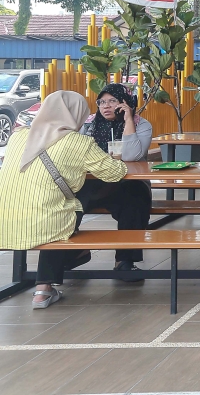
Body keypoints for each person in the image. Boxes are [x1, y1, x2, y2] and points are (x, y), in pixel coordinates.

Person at [0, 91, 129, 309]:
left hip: (6, 219)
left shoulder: (17, 136)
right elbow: (115, 173)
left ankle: (55, 276)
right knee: (64, 209)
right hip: (45, 222)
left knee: (55, 203)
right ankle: (51, 280)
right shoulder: (78, 142)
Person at [79, 83, 153, 274]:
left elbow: (131, 156)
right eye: (102, 101)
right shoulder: (88, 124)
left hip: (124, 183)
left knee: (137, 196)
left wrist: (128, 120)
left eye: (112, 101)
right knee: (68, 199)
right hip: (91, 182)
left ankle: (124, 261)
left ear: (125, 103)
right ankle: (70, 253)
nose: (106, 106)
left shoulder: (140, 124)